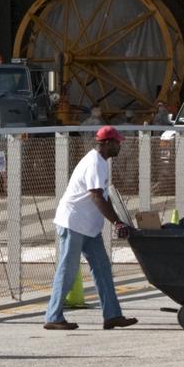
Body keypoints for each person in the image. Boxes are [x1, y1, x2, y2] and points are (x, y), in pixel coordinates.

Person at [43, 126, 137, 332]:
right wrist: (116, 222)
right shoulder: (95, 162)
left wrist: (117, 220)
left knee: (103, 269)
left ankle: (112, 315)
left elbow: (103, 196)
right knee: (67, 270)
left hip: (89, 227)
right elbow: (96, 196)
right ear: (107, 143)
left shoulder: (101, 161)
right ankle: (53, 316)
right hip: (74, 223)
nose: (120, 146)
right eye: (117, 142)